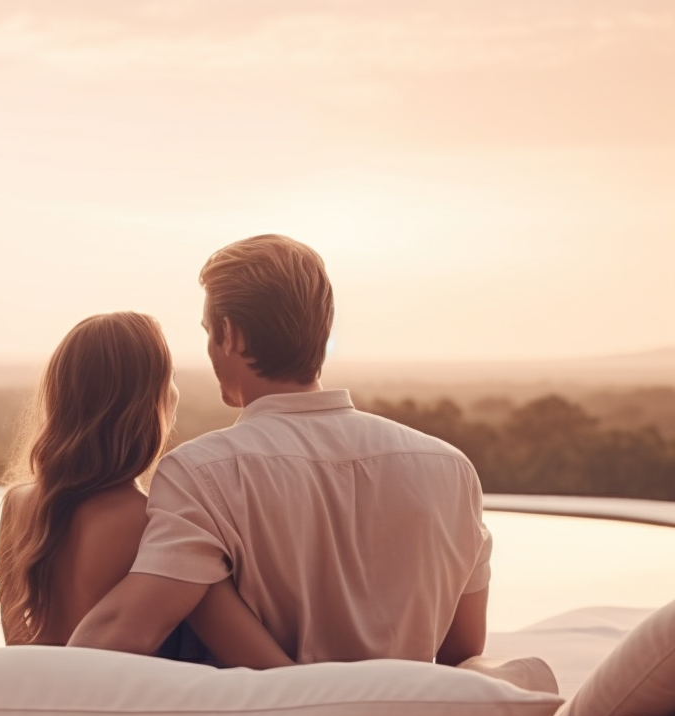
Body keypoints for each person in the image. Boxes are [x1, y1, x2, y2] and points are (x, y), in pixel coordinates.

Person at [68, 235, 492, 667]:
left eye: (208, 333)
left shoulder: (201, 472)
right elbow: (463, 648)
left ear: (229, 334)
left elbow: (125, 631)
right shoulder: (451, 469)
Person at [0, 311, 293, 669]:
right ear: (150, 402)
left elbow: (19, 650)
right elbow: (262, 663)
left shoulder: (18, 506)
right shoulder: (156, 523)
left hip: (39, 711)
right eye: (169, 378)